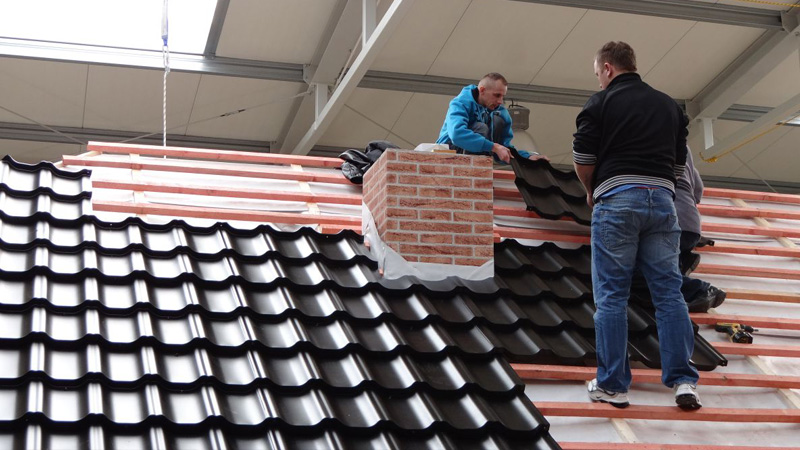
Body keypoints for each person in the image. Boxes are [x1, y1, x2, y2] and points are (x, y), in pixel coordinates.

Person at [572, 41, 701, 410]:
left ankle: (613, 385)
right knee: (669, 293)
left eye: (598, 74)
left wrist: (591, 191)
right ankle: (683, 382)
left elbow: (583, 157)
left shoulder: (600, 103)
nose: (599, 81)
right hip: (663, 203)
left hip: (617, 201)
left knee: (612, 295)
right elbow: (678, 165)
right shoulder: (669, 106)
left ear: (608, 68)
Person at [630, 149, 726, 312]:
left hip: (665, 223)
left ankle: (701, 290)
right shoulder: (683, 148)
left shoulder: (639, 143)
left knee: (632, 273)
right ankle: (680, 262)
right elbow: (698, 191)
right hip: (690, 224)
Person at [436, 73, 548, 164]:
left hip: (477, 159)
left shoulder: (501, 114)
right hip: (446, 156)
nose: (500, 101)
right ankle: (473, 171)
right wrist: (493, 146)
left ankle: (478, 173)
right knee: (481, 128)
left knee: (494, 123)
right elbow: (457, 134)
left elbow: (503, 149)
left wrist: (527, 157)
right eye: (497, 95)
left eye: (503, 96)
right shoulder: (460, 103)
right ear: (482, 90)